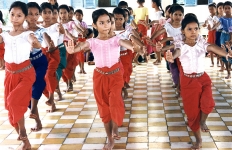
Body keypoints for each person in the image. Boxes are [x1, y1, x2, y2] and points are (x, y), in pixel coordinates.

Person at [64, 9, 145, 150]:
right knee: (104, 108)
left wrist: (139, 49)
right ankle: (110, 139)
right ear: (94, 25)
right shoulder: (92, 42)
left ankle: (115, 128)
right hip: (99, 77)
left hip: (115, 75)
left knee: (115, 102)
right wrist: (72, 50)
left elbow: (133, 47)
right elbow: (81, 46)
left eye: (108, 21)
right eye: (102, 23)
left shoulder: (116, 40)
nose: (106, 25)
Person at [157, 14, 232, 150]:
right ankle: (198, 140)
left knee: (208, 103)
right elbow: (176, 53)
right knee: (192, 114)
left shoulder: (201, 43)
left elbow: (213, 47)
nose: (193, 32)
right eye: (189, 29)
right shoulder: (181, 45)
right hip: (188, 81)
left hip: (203, 78)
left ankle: (203, 121)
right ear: (183, 31)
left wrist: (226, 54)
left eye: (196, 29)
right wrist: (170, 58)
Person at [0, 1, 41, 149]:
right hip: (10, 75)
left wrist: (35, 43)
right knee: (11, 108)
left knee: (13, 101)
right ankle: (25, 141)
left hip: (26, 74)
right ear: (8, 16)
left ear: (24, 17)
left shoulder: (27, 34)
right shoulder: (4, 34)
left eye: (19, 15)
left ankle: (22, 130)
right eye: (12, 14)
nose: (15, 18)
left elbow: (33, 41)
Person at [26, 2, 49, 132]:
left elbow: (45, 40)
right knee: (28, 91)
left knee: (39, 83)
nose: (33, 17)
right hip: (26, 65)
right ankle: (38, 121)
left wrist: (49, 44)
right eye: (30, 14)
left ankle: (34, 108)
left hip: (40, 61)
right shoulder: (21, 31)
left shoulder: (41, 30)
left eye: (36, 14)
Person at [40, 2, 63, 112]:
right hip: (42, 54)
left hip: (54, 53)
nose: (48, 15)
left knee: (49, 75)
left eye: (50, 12)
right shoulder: (38, 27)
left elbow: (61, 31)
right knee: (42, 80)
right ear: (41, 14)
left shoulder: (56, 26)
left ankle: (51, 98)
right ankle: (54, 94)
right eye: (45, 12)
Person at [213, 1, 232, 79]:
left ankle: (229, 67)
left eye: (229, 8)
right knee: (224, 53)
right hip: (223, 36)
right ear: (223, 10)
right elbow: (217, 24)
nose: (227, 10)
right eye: (225, 8)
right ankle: (228, 72)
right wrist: (212, 27)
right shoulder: (222, 18)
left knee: (231, 53)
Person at [202, 3, 217, 67]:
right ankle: (212, 62)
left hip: (217, 32)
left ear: (215, 9)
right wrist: (205, 25)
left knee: (218, 46)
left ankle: (219, 62)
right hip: (210, 33)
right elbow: (205, 25)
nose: (211, 10)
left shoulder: (218, 16)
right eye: (209, 9)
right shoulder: (208, 17)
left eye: (212, 9)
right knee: (211, 47)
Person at [74, 9, 88, 74]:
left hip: (82, 40)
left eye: (79, 15)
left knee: (82, 55)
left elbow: (86, 32)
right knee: (78, 56)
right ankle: (80, 69)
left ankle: (83, 68)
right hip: (77, 40)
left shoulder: (84, 23)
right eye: (76, 15)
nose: (78, 16)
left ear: (82, 16)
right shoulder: (74, 23)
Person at [212, 2, 225, 70]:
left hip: (226, 34)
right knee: (219, 49)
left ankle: (227, 66)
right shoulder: (215, 17)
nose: (221, 9)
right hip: (218, 33)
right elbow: (214, 26)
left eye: (223, 8)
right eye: (220, 8)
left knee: (226, 49)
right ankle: (222, 65)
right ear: (217, 9)